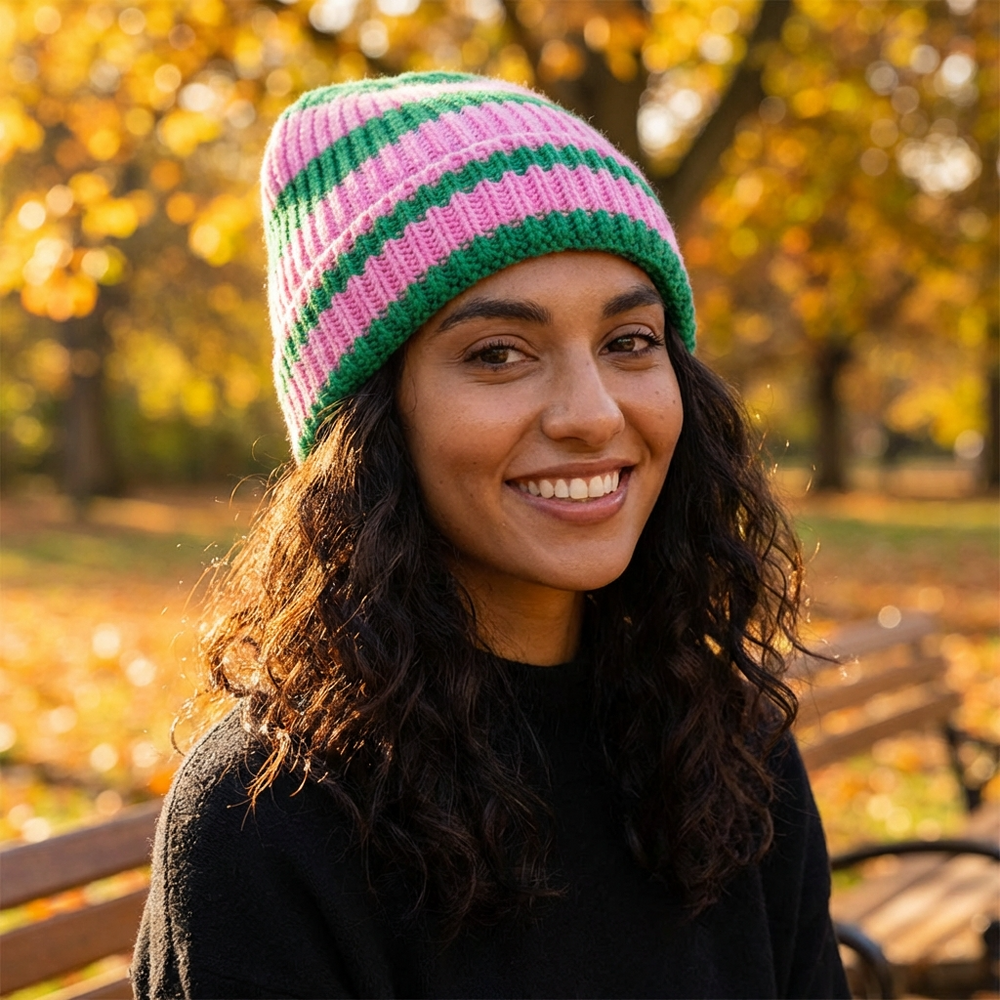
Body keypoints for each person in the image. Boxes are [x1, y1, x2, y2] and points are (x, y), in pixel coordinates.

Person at [132, 72, 849, 1000]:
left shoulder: (731, 746)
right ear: (373, 427)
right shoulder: (270, 821)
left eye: (631, 340)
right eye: (498, 354)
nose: (594, 415)